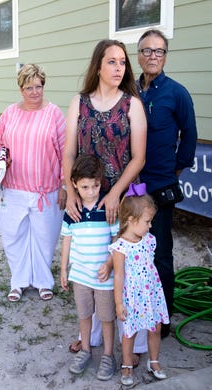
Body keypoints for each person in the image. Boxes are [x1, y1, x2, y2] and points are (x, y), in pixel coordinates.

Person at [63, 39, 147, 357]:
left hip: (123, 198)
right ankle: (91, 337)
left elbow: (138, 157)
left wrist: (114, 193)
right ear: (98, 65)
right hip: (86, 199)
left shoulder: (132, 105)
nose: (118, 68)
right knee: (92, 266)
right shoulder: (79, 103)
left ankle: (132, 344)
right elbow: (69, 152)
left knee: (124, 271)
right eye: (111, 61)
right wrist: (71, 192)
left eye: (123, 62)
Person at [0, 64, 66, 302]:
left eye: (38, 86)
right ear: (21, 89)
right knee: (14, 237)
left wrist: (64, 185)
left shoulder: (54, 114)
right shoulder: (10, 113)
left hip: (45, 190)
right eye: (29, 87)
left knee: (44, 237)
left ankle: (42, 281)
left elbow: (65, 152)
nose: (35, 92)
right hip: (12, 188)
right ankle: (18, 282)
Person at [136, 28, 197, 338]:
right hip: (132, 186)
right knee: (134, 251)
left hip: (160, 185)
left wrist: (176, 170)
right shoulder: (129, 91)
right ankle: (136, 311)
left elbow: (189, 135)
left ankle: (162, 319)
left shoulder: (177, 93)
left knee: (159, 253)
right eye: (147, 50)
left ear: (165, 56)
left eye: (159, 51)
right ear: (139, 55)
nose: (153, 56)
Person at [60, 154, 118, 380]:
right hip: (81, 274)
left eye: (95, 186)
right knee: (84, 314)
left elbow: (116, 238)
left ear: (100, 182)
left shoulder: (107, 206)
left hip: (104, 276)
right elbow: (67, 239)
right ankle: (85, 350)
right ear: (74, 184)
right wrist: (64, 269)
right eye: (85, 187)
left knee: (106, 317)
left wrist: (110, 262)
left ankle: (107, 355)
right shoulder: (73, 210)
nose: (91, 191)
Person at [111, 183, 169, 386]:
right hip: (133, 297)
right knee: (130, 332)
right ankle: (127, 364)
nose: (150, 226)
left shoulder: (149, 240)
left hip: (151, 293)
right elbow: (118, 276)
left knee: (155, 328)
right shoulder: (120, 247)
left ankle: (154, 362)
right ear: (130, 220)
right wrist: (119, 303)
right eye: (147, 221)